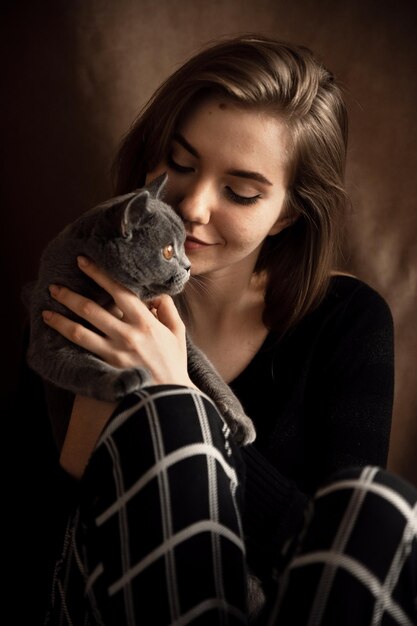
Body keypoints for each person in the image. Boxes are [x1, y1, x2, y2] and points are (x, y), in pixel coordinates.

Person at [20, 34, 416, 624]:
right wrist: (111, 414)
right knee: (165, 429)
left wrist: (181, 392)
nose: (195, 205)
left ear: (287, 213)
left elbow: (333, 543)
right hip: (104, 598)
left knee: (382, 507)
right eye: (180, 164)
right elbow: (42, 553)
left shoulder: (349, 322)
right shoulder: (81, 293)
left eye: (242, 191)